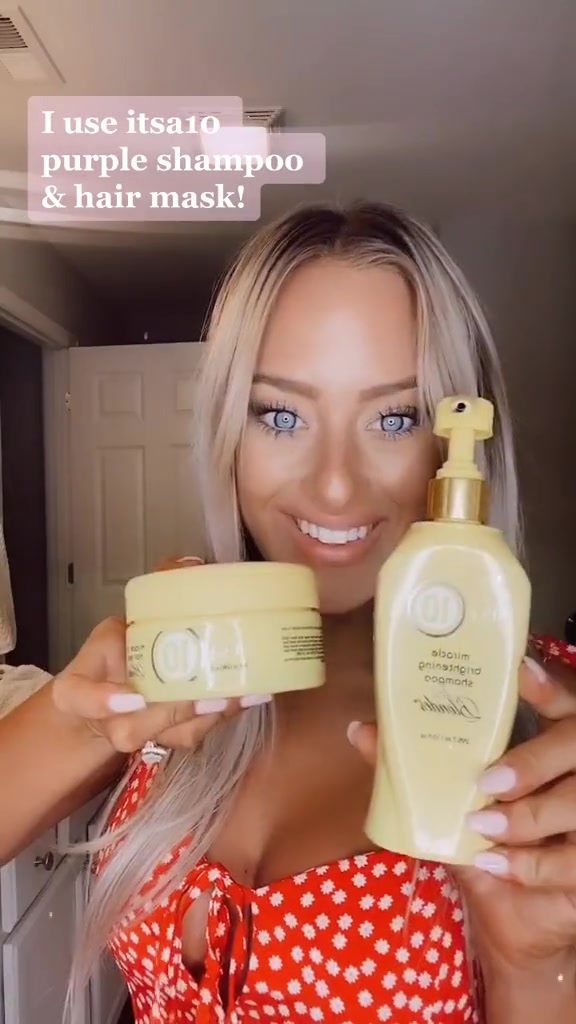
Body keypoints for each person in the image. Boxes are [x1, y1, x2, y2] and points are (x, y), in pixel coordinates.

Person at [2, 201, 576, 1024]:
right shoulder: (192, 668)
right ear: (227, 433)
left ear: (460, 441)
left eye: (395, 417)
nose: (335, 484)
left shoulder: (547, 727)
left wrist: (535, 972)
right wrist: (83, 725)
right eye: (280, 414)